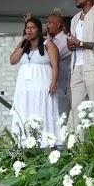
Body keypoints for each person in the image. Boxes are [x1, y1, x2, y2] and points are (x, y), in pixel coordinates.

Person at [9, 17, 60, 147]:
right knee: (25, 112)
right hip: (25, 89)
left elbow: (55, 65)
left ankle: (45, 144)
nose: (30, 30)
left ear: (39, 29)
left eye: (33, 28)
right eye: (27, 28)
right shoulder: (22, 44)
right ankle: (24, 143)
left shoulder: (47, 44)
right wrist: (23, 44)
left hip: (42, 86)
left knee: (42, 112)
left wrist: (53, 82)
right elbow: (13, 60)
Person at [46, 11, 72, 118]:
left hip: (62, 85)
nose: (47, 26)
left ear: (58, 25)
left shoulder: (66, 40)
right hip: (49, 84)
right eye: (47, 23)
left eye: (50, 23)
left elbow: (53, 57)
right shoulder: (48, 40)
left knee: (61, 118)